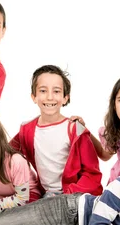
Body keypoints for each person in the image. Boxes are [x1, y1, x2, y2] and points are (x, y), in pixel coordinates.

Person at [10, 65, 103, 197]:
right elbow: (5, 154)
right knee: (10, 215)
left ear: (65, 98)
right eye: (43, 91)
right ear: (33, 97)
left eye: (56, 91)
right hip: (45, 195)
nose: (49, 97)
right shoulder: (27, 130)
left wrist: (69, 194)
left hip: (73, 196)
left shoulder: (75, 129)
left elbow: (92, 174)